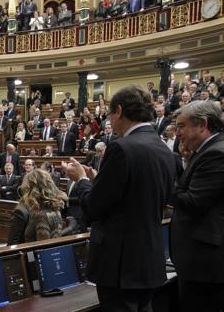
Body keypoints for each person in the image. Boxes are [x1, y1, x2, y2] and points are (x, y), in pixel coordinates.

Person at [63, 85, 176, 311]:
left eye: (110, 115)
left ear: (119, 111)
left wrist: (82, 180)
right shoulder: (163, 148)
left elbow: (94, 207)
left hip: (120, 265)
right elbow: (133, 193)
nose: (110, 122)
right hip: (149, 260)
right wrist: (98, 179)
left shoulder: (121, 148)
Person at [169, 101, 224, 311]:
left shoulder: (216, 153)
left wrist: (160, 184)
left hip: (205, 266)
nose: (177, 133)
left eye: (181, 126)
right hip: (200, 263)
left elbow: (193, 203)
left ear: (202, 124)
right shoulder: (206, 151)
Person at [7, 169, 66, 245]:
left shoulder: (21, 211)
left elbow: (12, 244)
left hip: (29, 255)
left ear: (27, 187)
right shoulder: (55, 208)